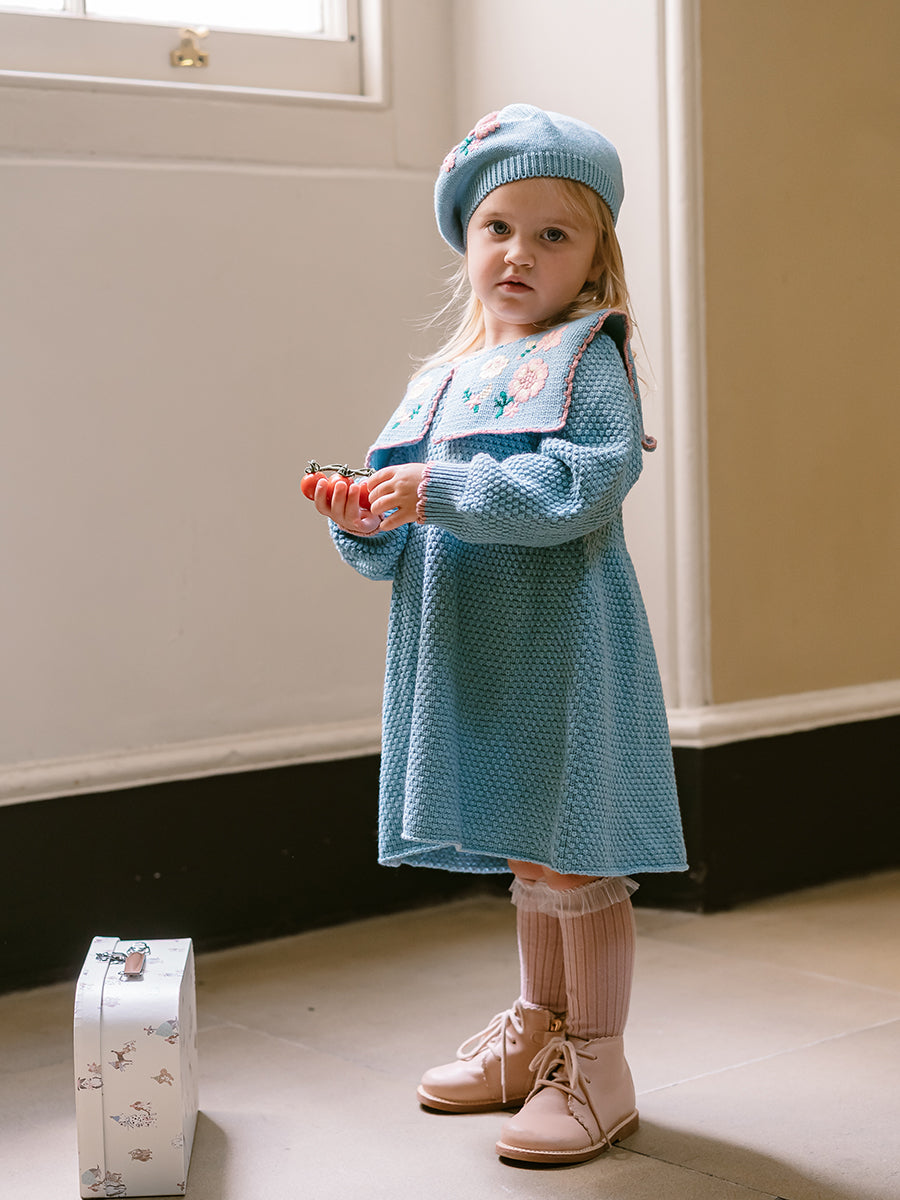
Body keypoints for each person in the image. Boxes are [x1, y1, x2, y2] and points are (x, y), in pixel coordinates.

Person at [303, 103, 688, 1166]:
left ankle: (598, 1060)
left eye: (553, 234)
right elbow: (397, 530)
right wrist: (365, 519)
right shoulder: (438, 381)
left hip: (560, 648)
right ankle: (538, 1028)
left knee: (574, 857)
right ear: (467, 239)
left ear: (595, 256)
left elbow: (585, 483)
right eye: (498, 228)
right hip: (470, 652)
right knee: (528, 846)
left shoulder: (588, 356)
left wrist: (441, 492)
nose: (520, 252)